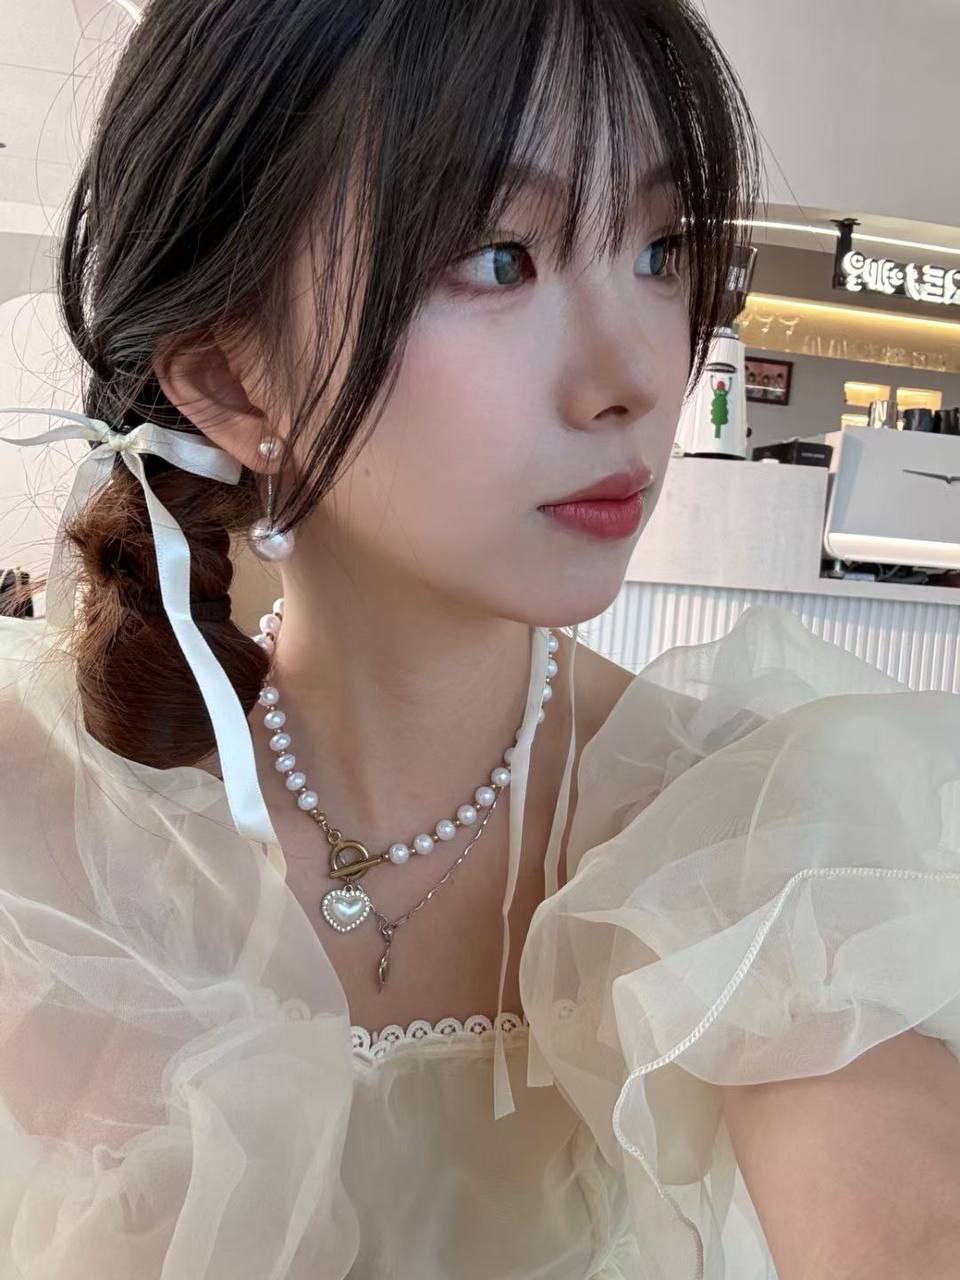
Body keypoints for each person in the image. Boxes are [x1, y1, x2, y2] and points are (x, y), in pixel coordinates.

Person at [1, 2, 959, 1278]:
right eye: (502, 258)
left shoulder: (739, 829)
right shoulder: (41, 817)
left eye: (660, 249)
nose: (635, 375)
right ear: (232, 379)